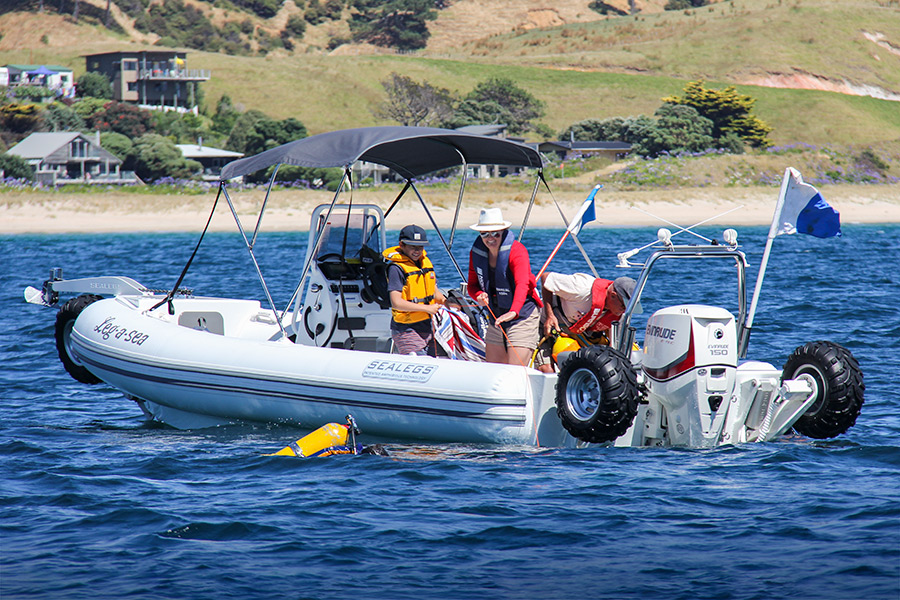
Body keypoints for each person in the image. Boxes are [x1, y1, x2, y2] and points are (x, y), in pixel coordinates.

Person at [467, 208, 542, 366]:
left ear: (503, 231)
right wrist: (479, 295)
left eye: (496, 233)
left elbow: (523, 284)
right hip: (497, 317)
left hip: (522, 316)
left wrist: (513, 311)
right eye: (485, 234)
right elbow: (472, 285)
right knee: (495, 370)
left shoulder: (517, 251)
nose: (490, 238)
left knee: (515, 371)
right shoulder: (476, 253)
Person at [535, 272, 641, 372]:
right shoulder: (581, 288)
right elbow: (546, 278)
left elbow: (619, 341)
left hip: (579, 333)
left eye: (628, 308)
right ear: (612, 295)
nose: (624, 311)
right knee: (547, 370)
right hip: (546, 326)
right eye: (623, 306)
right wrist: (550, 315)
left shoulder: (619, 314)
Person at [383, 225, 445, 356]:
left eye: (420, 247)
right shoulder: (396, 269)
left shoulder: (424, 263)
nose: (417, 251)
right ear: (402, 245)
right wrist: (427, 309)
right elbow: (396, 302)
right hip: (405, 329)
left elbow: (434, 292)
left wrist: (447, 302)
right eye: (413, 247)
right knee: (420, 362)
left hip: (428, 326)